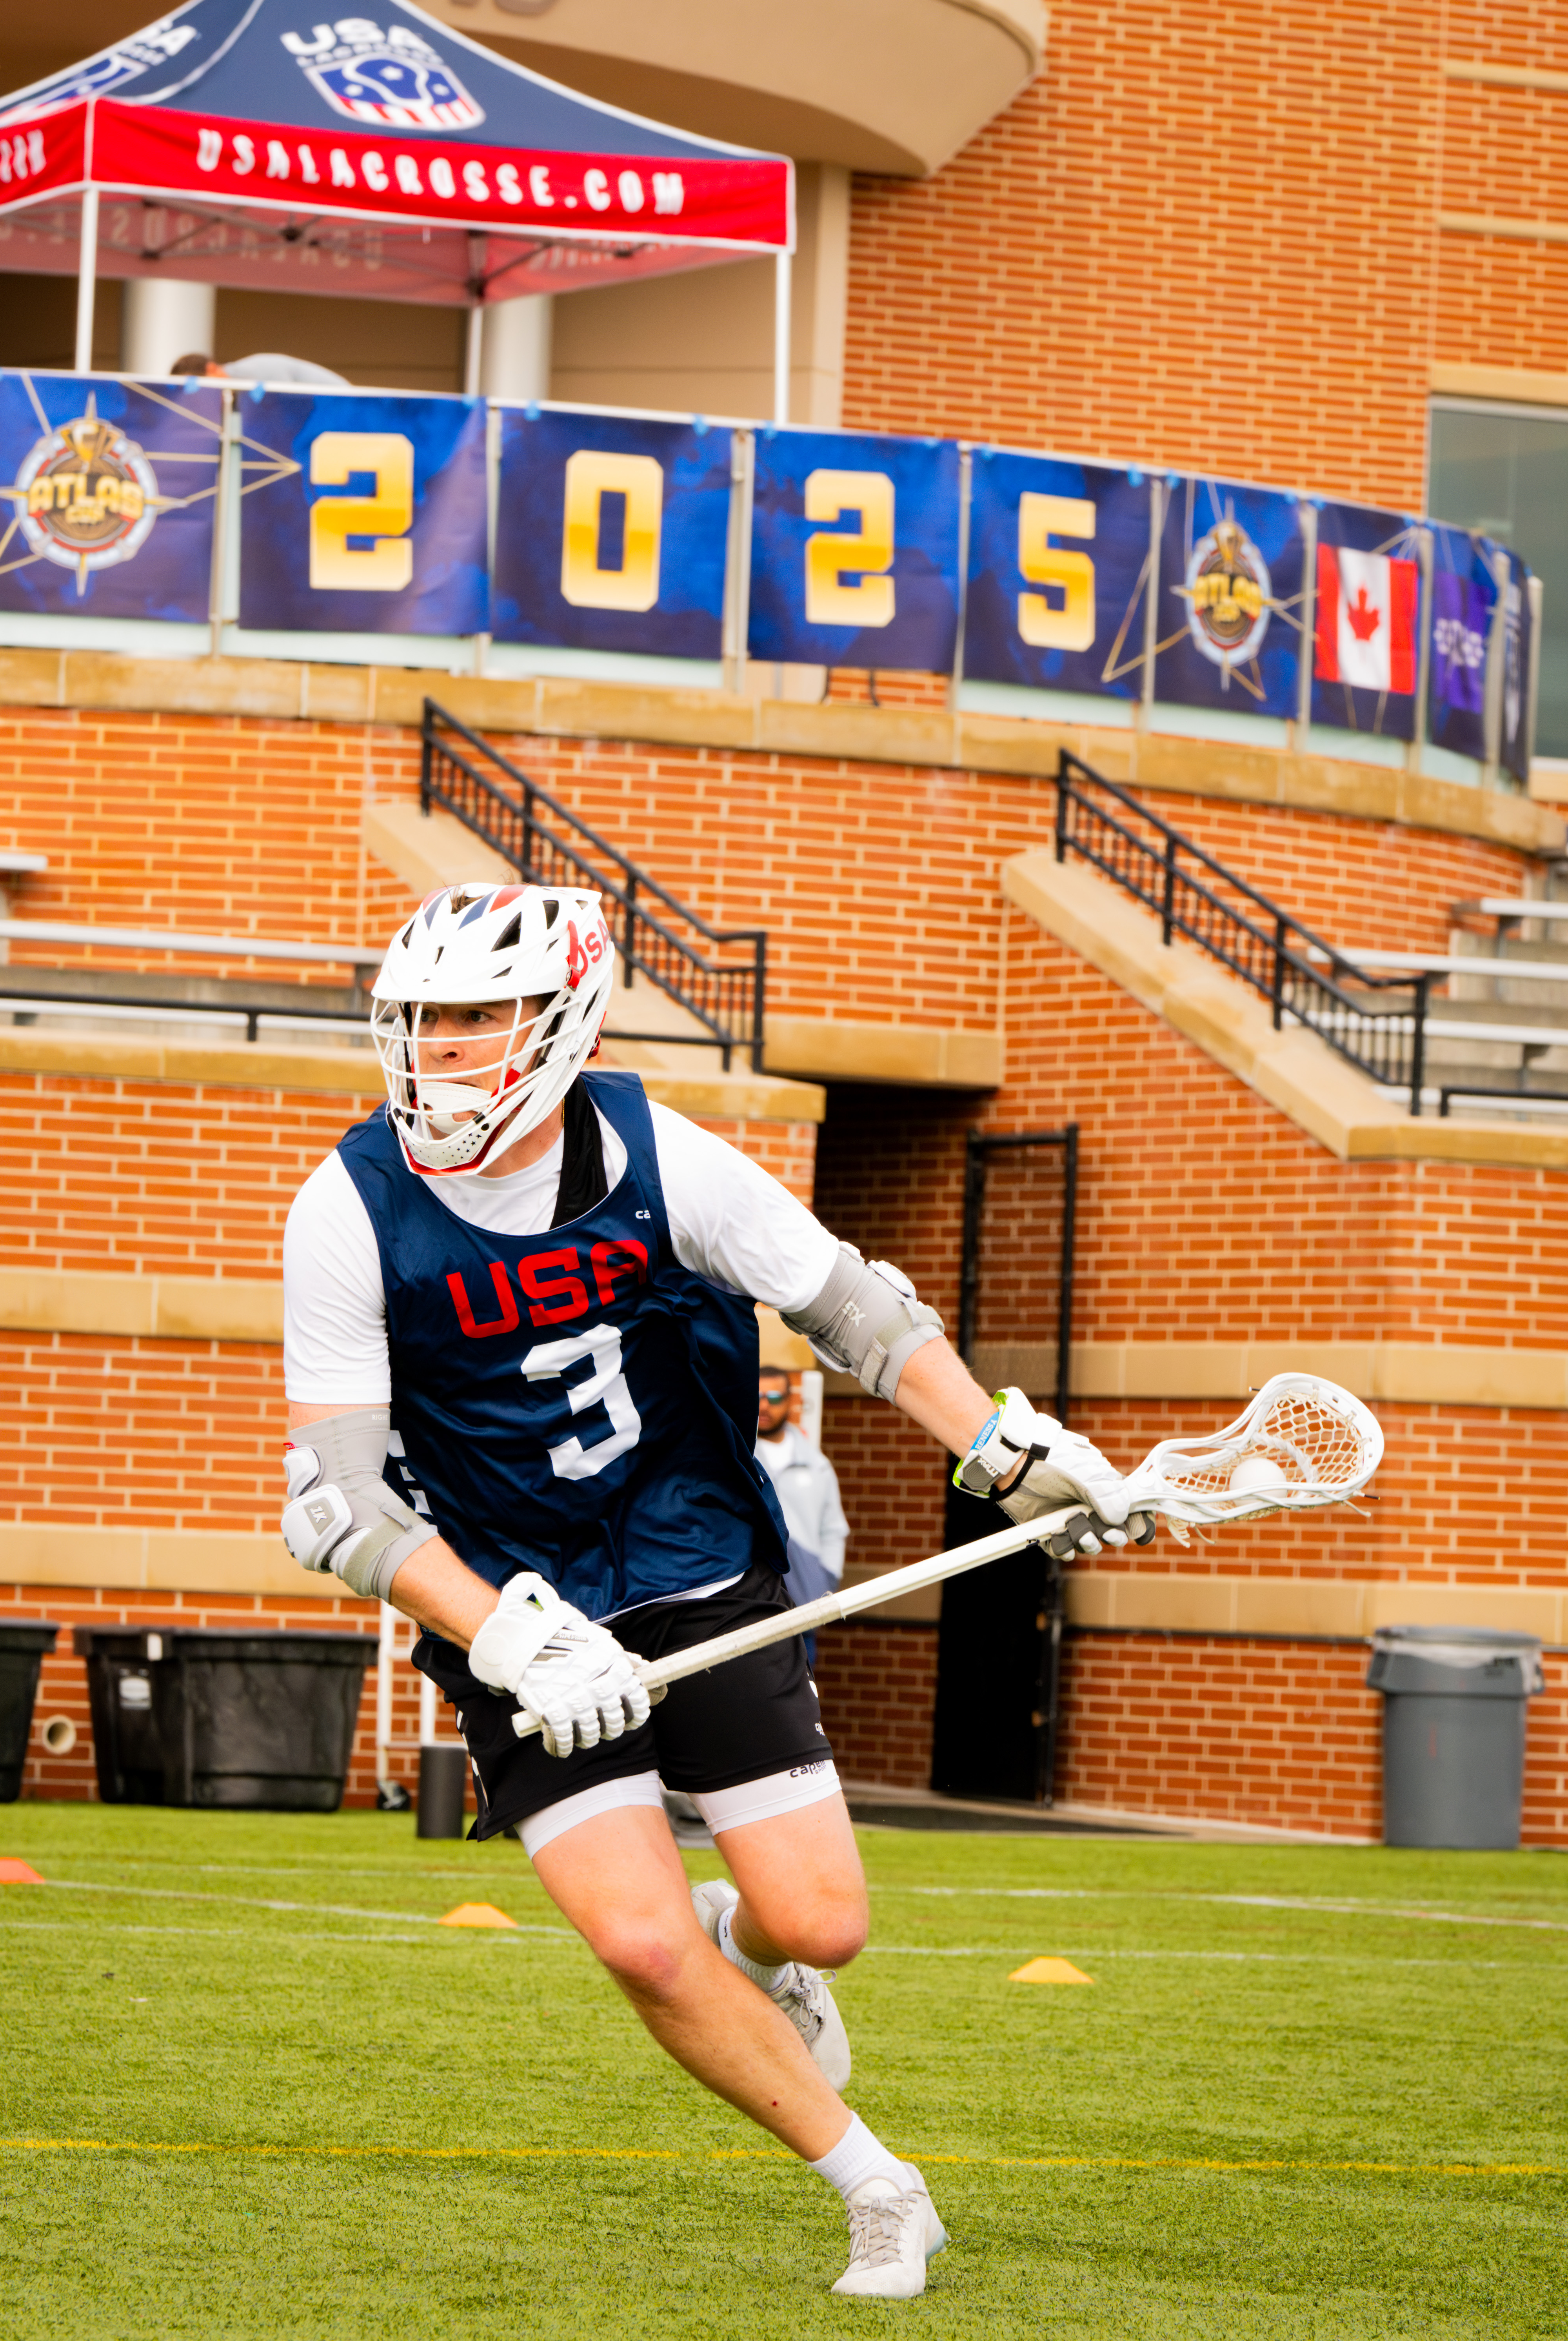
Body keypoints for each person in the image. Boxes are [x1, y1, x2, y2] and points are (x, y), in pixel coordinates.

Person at [279, 883, 1139, 2299]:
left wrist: (996, 1442)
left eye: (475, 1015)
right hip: (513, 1604)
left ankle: (770, 1955)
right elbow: (339, 1503)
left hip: (691, 1560)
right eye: (421, 1020)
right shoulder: (348, 1206)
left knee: (819, 1922)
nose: (440, 1049)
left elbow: (854, 1307)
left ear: (558, 1022)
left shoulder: (658, 1153)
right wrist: (499, 1628)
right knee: (636, 1933)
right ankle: (878, 2184)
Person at [755, 1365, 847, 1665]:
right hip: (751, 1606)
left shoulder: (817, 1465)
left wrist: (825, 1581)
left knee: (801, 1696)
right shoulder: (739, 1458)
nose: (764, 1405)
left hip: (803, 1606)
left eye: (774, 1397)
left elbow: (834, 1530)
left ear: (790, 1401)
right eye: (757, 1397)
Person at [168, 350, 352, 388]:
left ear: (212, 369)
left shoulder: (252, 371)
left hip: (343, 402)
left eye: (197, 384)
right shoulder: (237, 386)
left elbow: (285, 399)